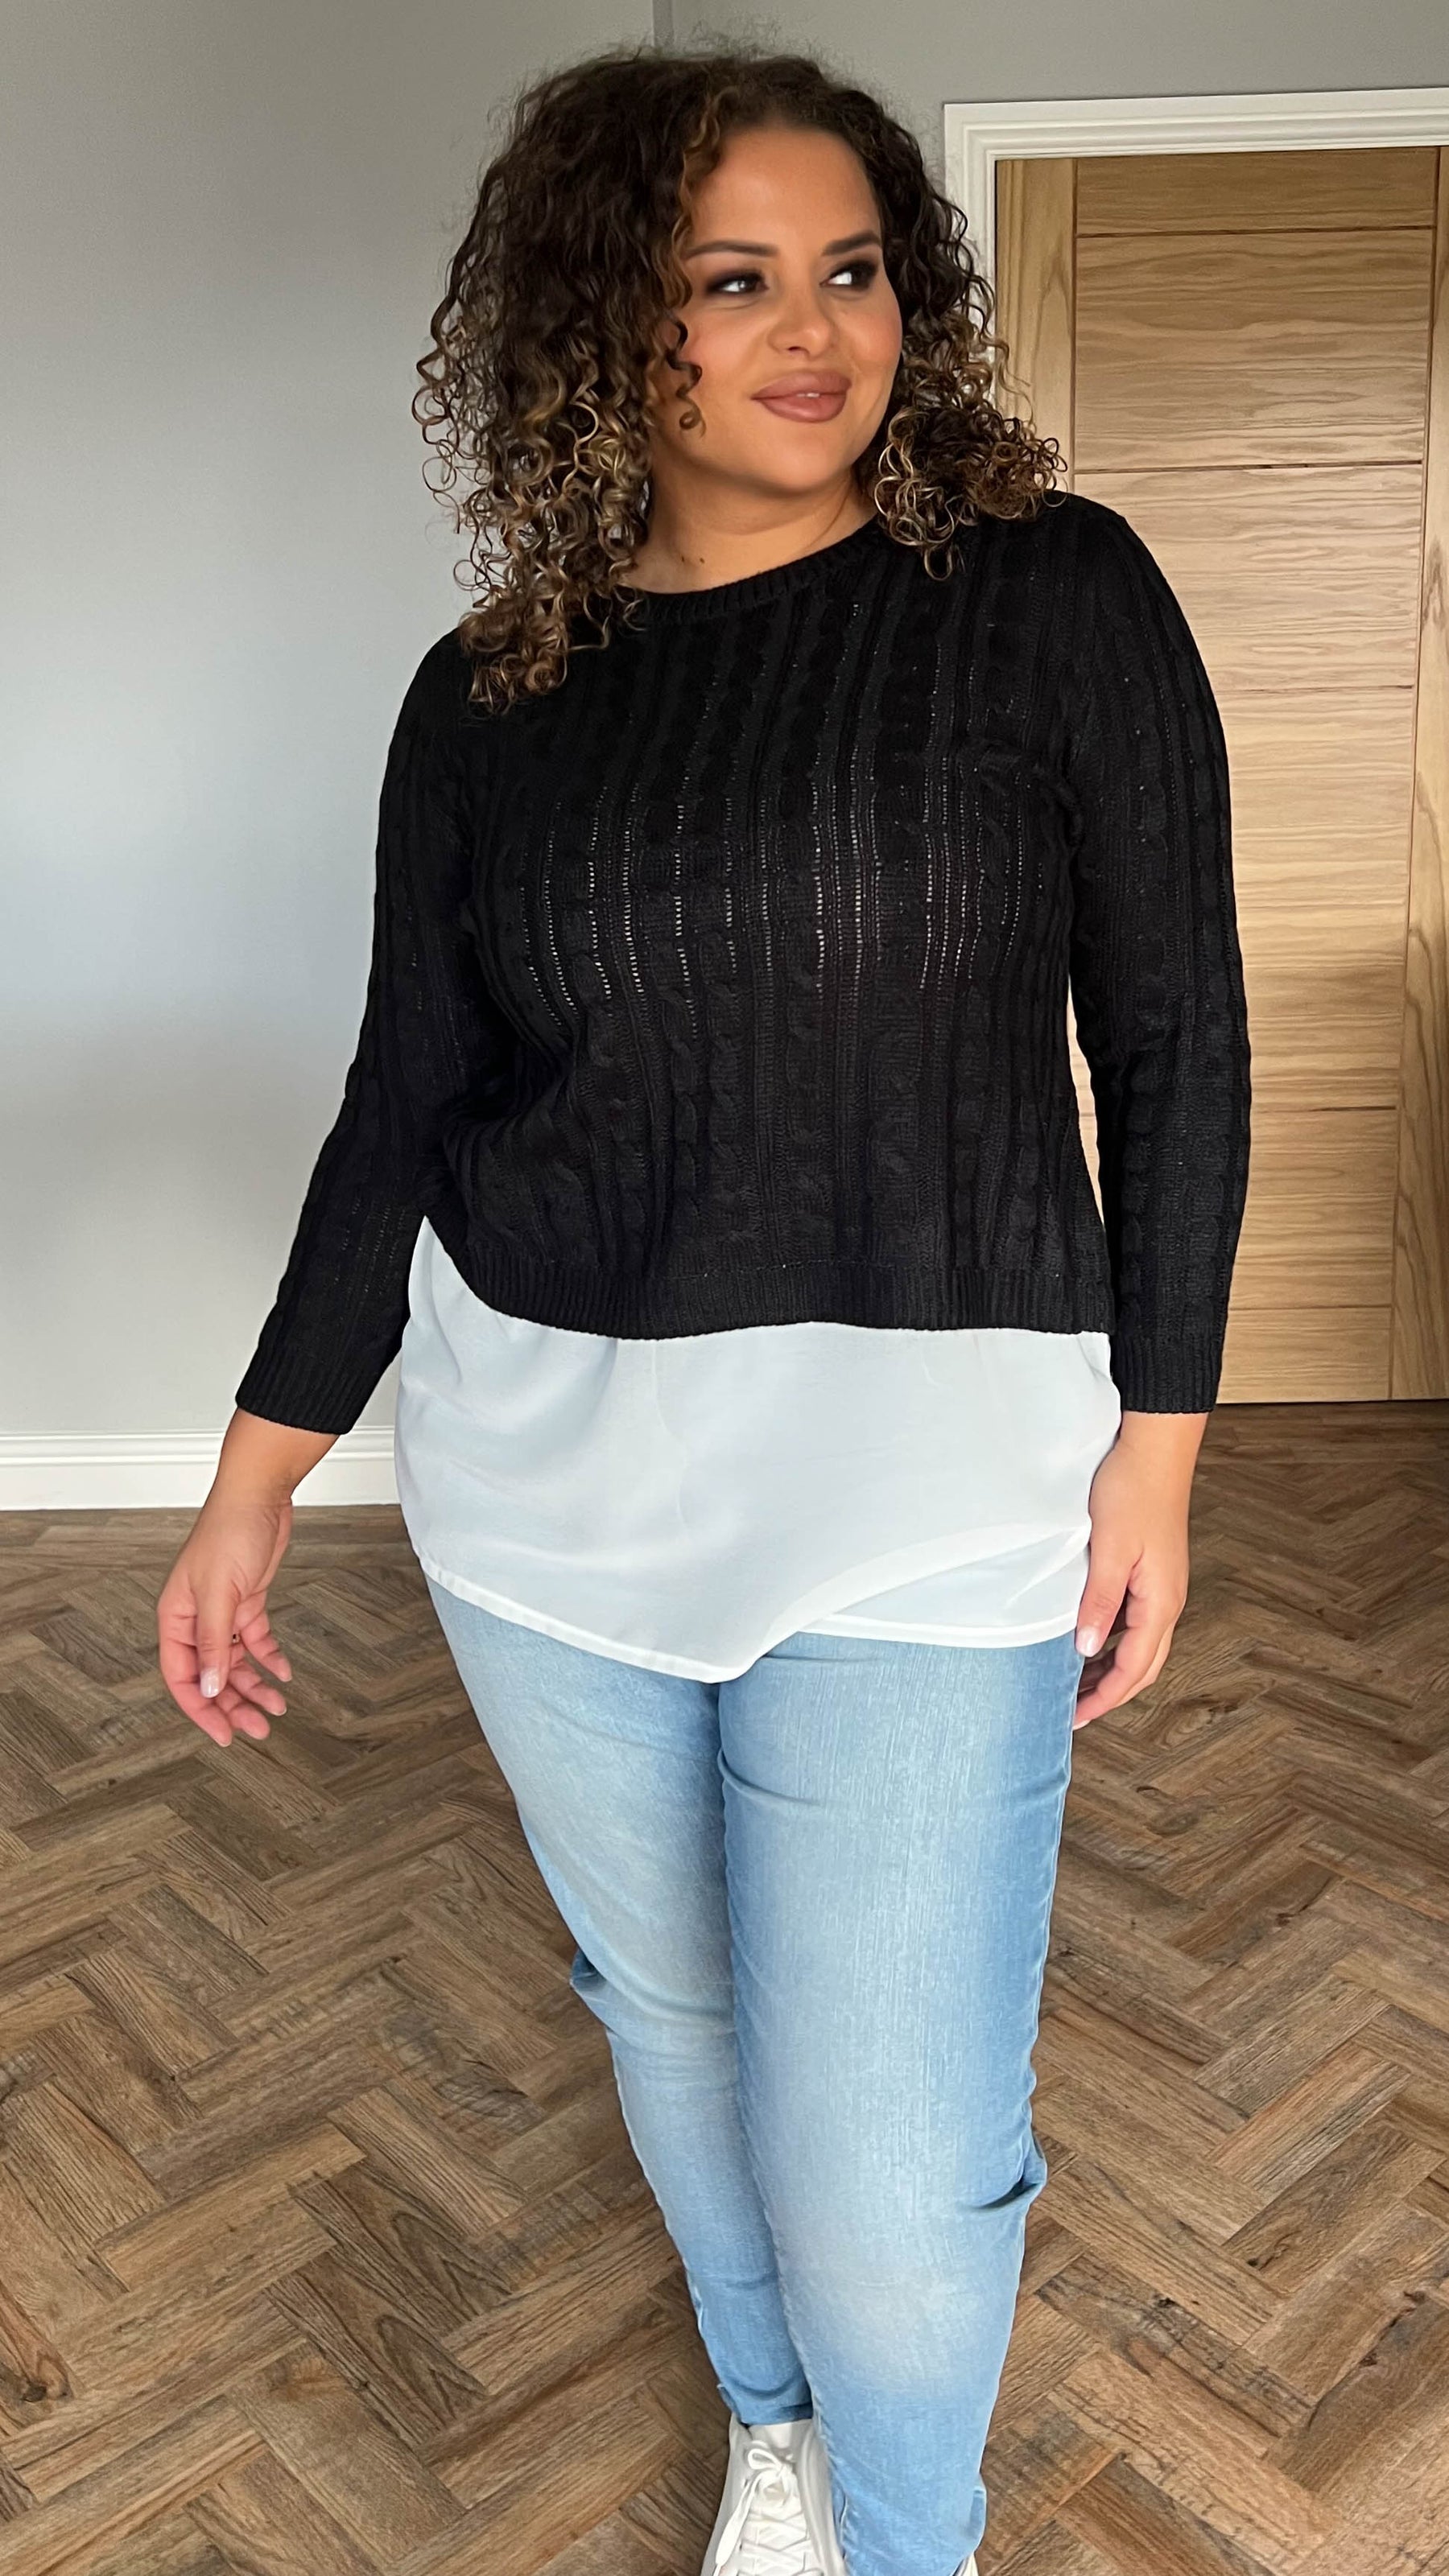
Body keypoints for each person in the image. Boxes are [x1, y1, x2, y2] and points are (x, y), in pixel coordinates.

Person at [156, 43, 1251, 2576]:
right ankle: (776, 2424)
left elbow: (1176, 1033)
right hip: (546, 1485)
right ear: (597, 328)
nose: (813, 332)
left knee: (888, 2150)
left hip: (932, 1479)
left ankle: (902, 2535)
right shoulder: (488, 702)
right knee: (673, 2019)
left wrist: (1164, 1445)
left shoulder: (1054, 599)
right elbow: (404, 1104)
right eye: (730, 279)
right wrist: (247, 1487)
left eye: (851, 270)